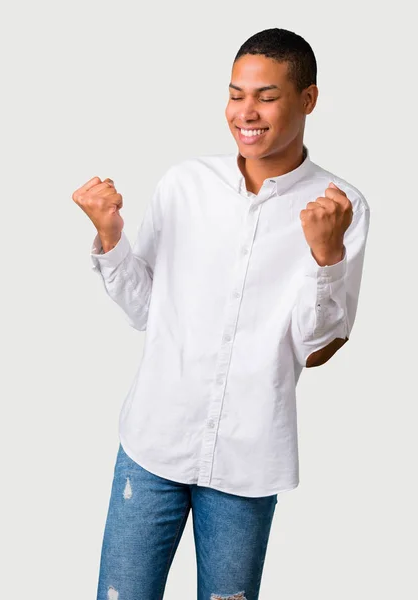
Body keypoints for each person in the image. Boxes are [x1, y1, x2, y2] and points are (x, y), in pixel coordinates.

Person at [72, 27, 370, 600]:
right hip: (153, 443)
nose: (246, 112)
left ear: (307, 99)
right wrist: (111, 237)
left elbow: (317, 344)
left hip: (247, 458)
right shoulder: (185, 184)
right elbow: (145, 312)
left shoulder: (341, 205)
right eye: (236, 94)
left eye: (266, 95)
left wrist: (326, 255)